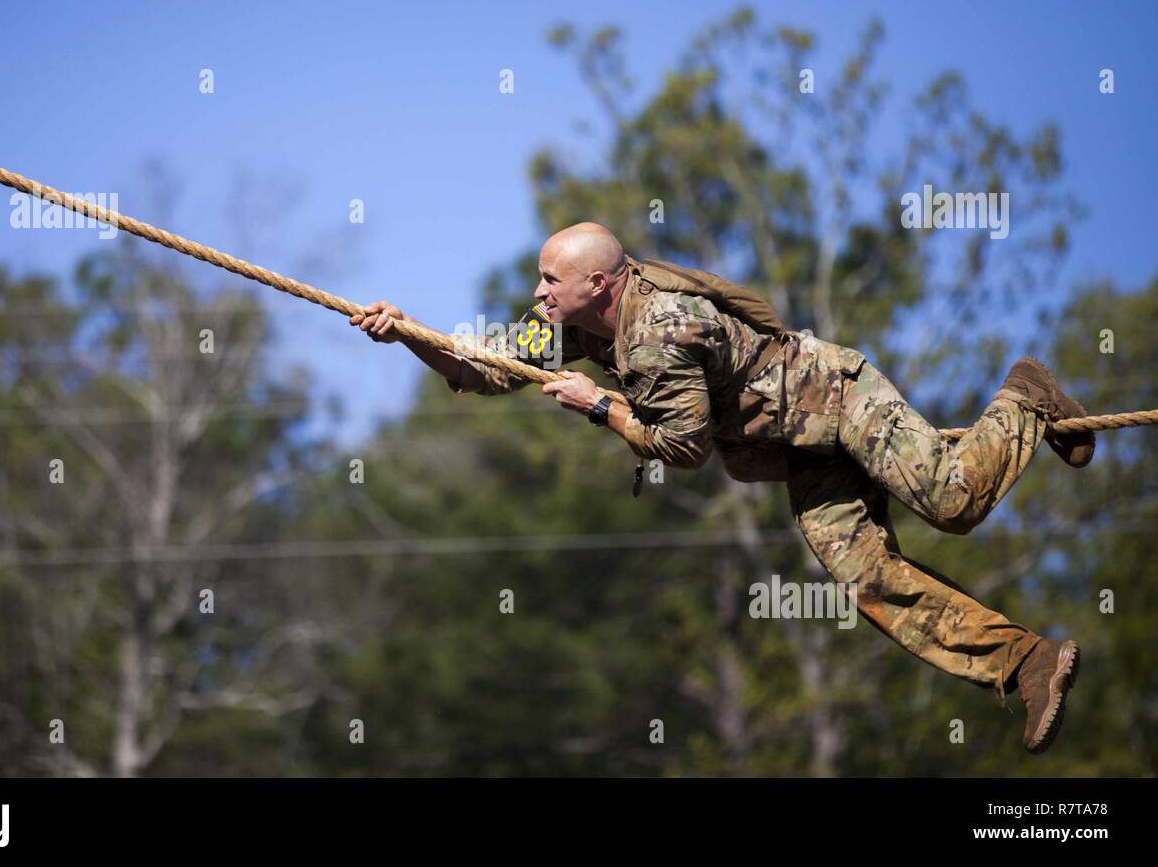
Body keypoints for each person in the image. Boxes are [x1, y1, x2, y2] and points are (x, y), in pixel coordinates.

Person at [349, 221, 1090, 754]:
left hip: (837, 399)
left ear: (598, 285)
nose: (538, 292)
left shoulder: (659, 334)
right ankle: (1024, 662)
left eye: (550, 279)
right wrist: (409, 331)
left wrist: (600, 406)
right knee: (872, 583)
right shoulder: (578, 325)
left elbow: (683, 449)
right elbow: (482, 368)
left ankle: (1023, 397)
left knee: (954, 503)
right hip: (797, 448)